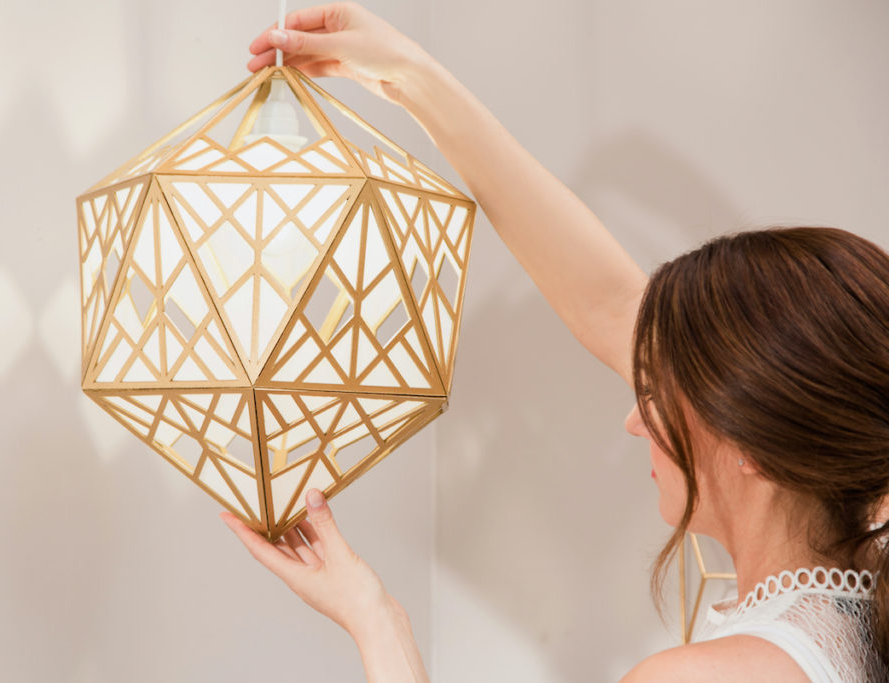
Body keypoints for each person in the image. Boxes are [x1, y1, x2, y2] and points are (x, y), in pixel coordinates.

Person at [219, 3, 889, 681]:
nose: (633, 417)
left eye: (659, 393)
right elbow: (609, 301)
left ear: (751, 441)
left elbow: (617, 307)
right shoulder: (850, 624)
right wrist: (409, 77)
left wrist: (374, 621)